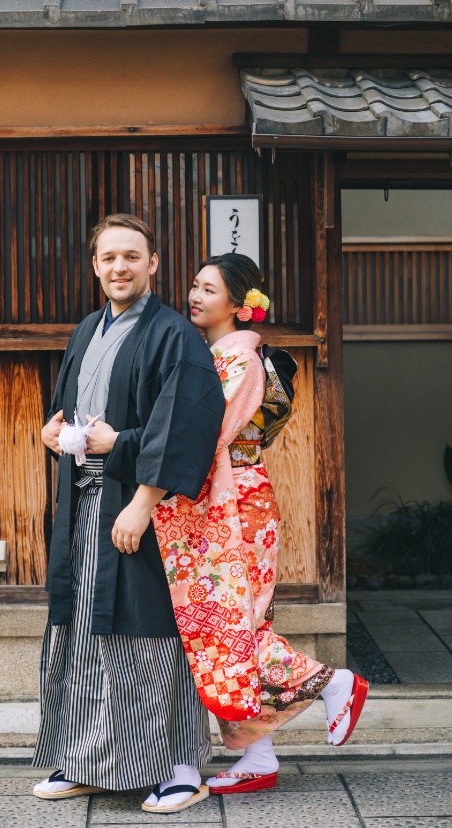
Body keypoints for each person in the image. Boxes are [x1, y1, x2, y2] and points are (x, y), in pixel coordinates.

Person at [152, 252, 368, 795]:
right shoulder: (220, 355)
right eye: (195, 287)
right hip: (233, 495)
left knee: (232, 628)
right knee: (230, 628)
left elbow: (206, 434)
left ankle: (332, 682)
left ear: (239, 302)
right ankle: (257, 754)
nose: (195, 297)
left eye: (209, 289)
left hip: (235, 504)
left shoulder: (238, 360)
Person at [32, 214, 225, 813]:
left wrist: (144, 502)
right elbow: (73, 410)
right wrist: (53, 430)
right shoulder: (88, 329)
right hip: (86, 500)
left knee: (150, 634)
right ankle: (89, 759)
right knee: (85, 630)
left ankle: (179, 767)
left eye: (132, 257)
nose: (120, 267)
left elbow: (187, 426)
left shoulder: (174, 335)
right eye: (109, 257)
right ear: (96, 267)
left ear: (153, 264)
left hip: (143, 505)